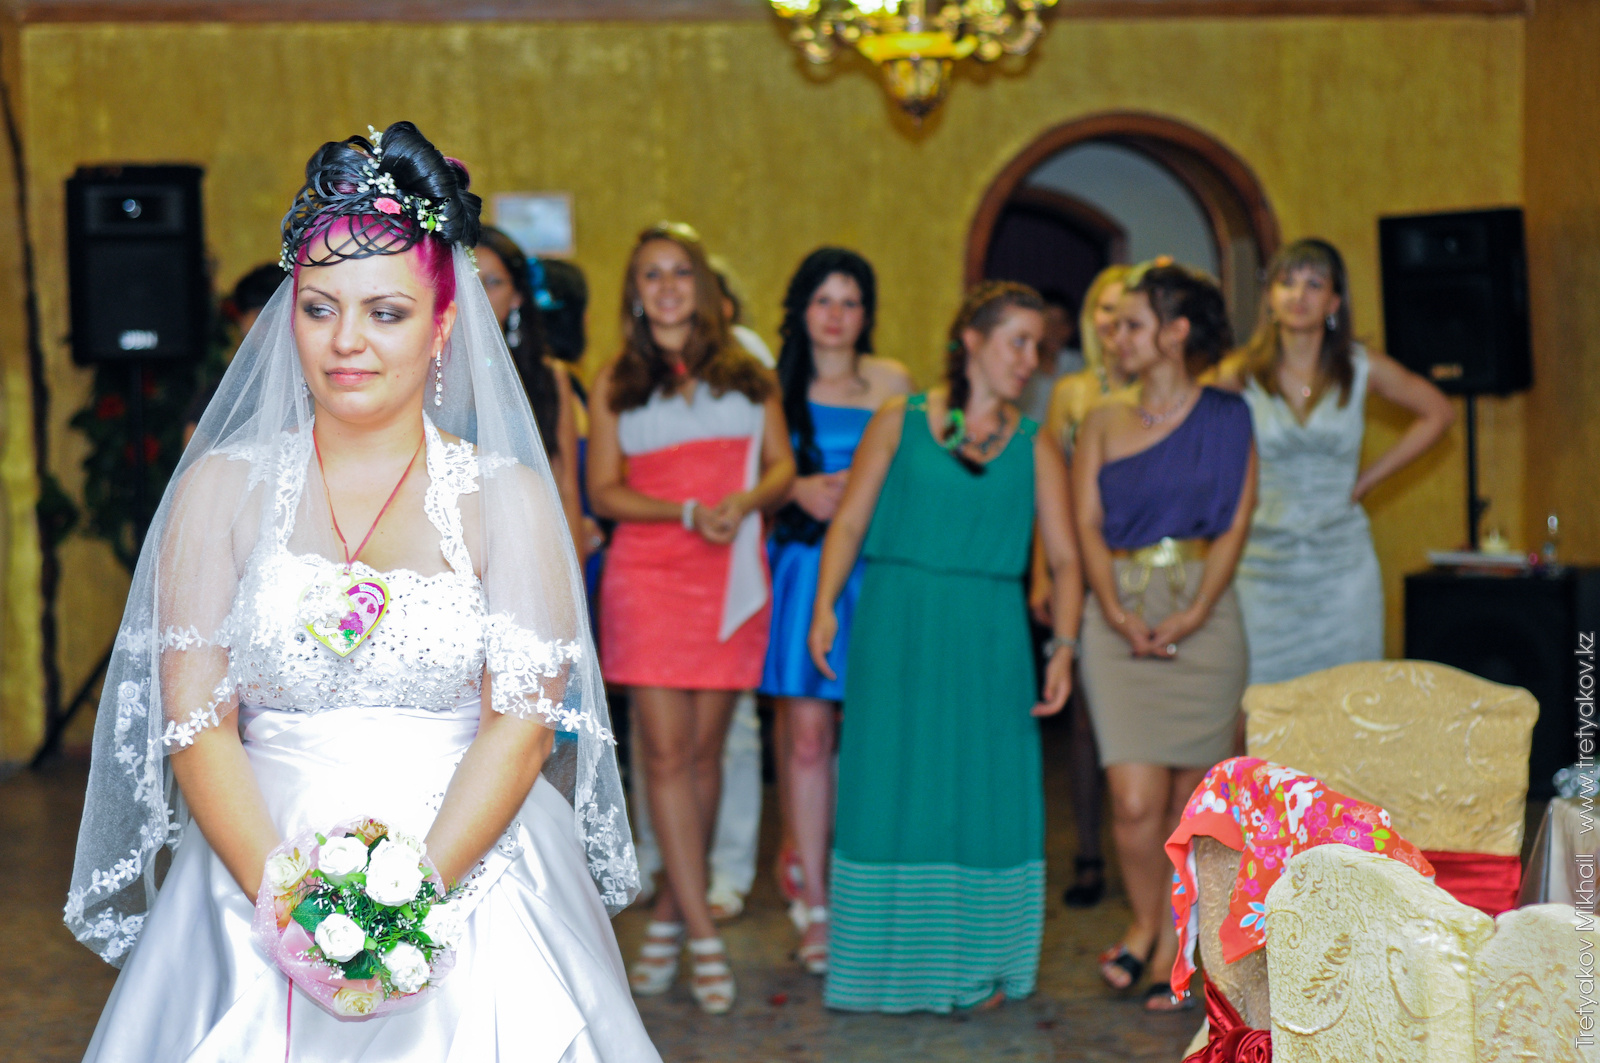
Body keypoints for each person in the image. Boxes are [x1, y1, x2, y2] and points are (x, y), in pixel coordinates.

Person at [67, 121, 657, 1061]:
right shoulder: (219, 488)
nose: (347, 341)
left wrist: (404, 907)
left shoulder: (507, 497)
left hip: (469, 864)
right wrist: (291, 907)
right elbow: (196, 721)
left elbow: (521, 725)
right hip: (254, 861)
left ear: (442, 327)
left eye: (385, 312)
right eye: (319, 308)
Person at [810, 280, 1080, 1013]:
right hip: (897, 623)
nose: (1029, 359)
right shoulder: (898, 420)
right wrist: (825, 605)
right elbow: (849, 521)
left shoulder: (1034, 443)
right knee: (891, 783)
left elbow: (1065, 559)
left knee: (983, 792)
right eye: (1017, 341)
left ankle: (982, 962)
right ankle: (880, 966)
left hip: (990, 633)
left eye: (1037, 346)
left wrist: (1063, 645)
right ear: (972, 339)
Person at [588, 222, 795, 1014]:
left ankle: (673, 912)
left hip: (730, 571)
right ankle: (704, 934)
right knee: (665, 756)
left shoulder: (748, 369)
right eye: (651, 274)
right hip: (648, 573)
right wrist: (680, 510)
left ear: (703, 285)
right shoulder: (616, 378)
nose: (668, 286)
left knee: (707, 754)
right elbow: (603, 490)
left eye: (680, 271)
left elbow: (783, 465)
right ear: (635, 293)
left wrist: (745, 500)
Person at [1072, 263, 1257, 1012]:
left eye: (1133, 324)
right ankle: (1144, 920)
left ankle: (1179, 940)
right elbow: (1085, 523)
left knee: (1192, 802)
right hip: (1117, 610)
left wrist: (1198, 609)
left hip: (1204, 612)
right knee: (1133, 798)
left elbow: (1237, 520)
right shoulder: (1100, 420)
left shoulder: (1230, 415)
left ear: (1176, 333)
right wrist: (1116, 613)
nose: (1116, 336)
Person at [760, 247, 912, 975]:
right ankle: (815, 902)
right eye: (824, 299)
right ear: (802, 308)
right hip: (802, 569)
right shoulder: (773, 386)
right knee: (807, 736)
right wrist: (794, 489)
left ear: (867, 313)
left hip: (874, 570)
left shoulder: (893, 383)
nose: (836, 315)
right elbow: (748, 475)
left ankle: (865, 883)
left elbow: (914, 474)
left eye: (850, 302)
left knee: (875, 732)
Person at [1217, 238, 1453, 684]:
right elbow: (1182, 419)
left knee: (1349, 694)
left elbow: (1438, 413)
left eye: (1313, 284)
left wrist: (1369, 479)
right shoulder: (1240, 371)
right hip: (1263, 567)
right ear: (1270, 297)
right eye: (1287, 282)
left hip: (1341, 566)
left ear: (1334, 302)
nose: (1298, 295)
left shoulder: (1361, 367)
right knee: (1264, 699)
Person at [1029, 263, 1137, 910]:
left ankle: (1155, 856)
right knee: (1087, 723)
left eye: (1127, 311)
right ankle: (1090, 851)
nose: (1115, 323)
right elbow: (1051, 490)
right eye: (1105, 309)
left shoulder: (1162, 388)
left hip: (1144, 564)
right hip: (1081, 569)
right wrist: (1043, 569)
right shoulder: (1071, 391)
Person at [476, 226, 587, 557]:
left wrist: (573, 578)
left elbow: (565, 489)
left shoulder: (548, 377)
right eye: (467, 280)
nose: (477, 294)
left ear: (517, 296)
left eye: (493, 282)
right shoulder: (420, 370)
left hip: (527, 547)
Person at [182, 263, 284, 446]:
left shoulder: (319, 379)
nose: (269, 326)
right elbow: (194, 451)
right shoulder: (226, 391)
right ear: (242, 322)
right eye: (260, 316)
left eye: (277, 315)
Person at [1017, 287, 1081, 423]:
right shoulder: (1018, 365)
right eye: (1049, 322)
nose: (1055, 330)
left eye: (1062, 322)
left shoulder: (1080, 366)